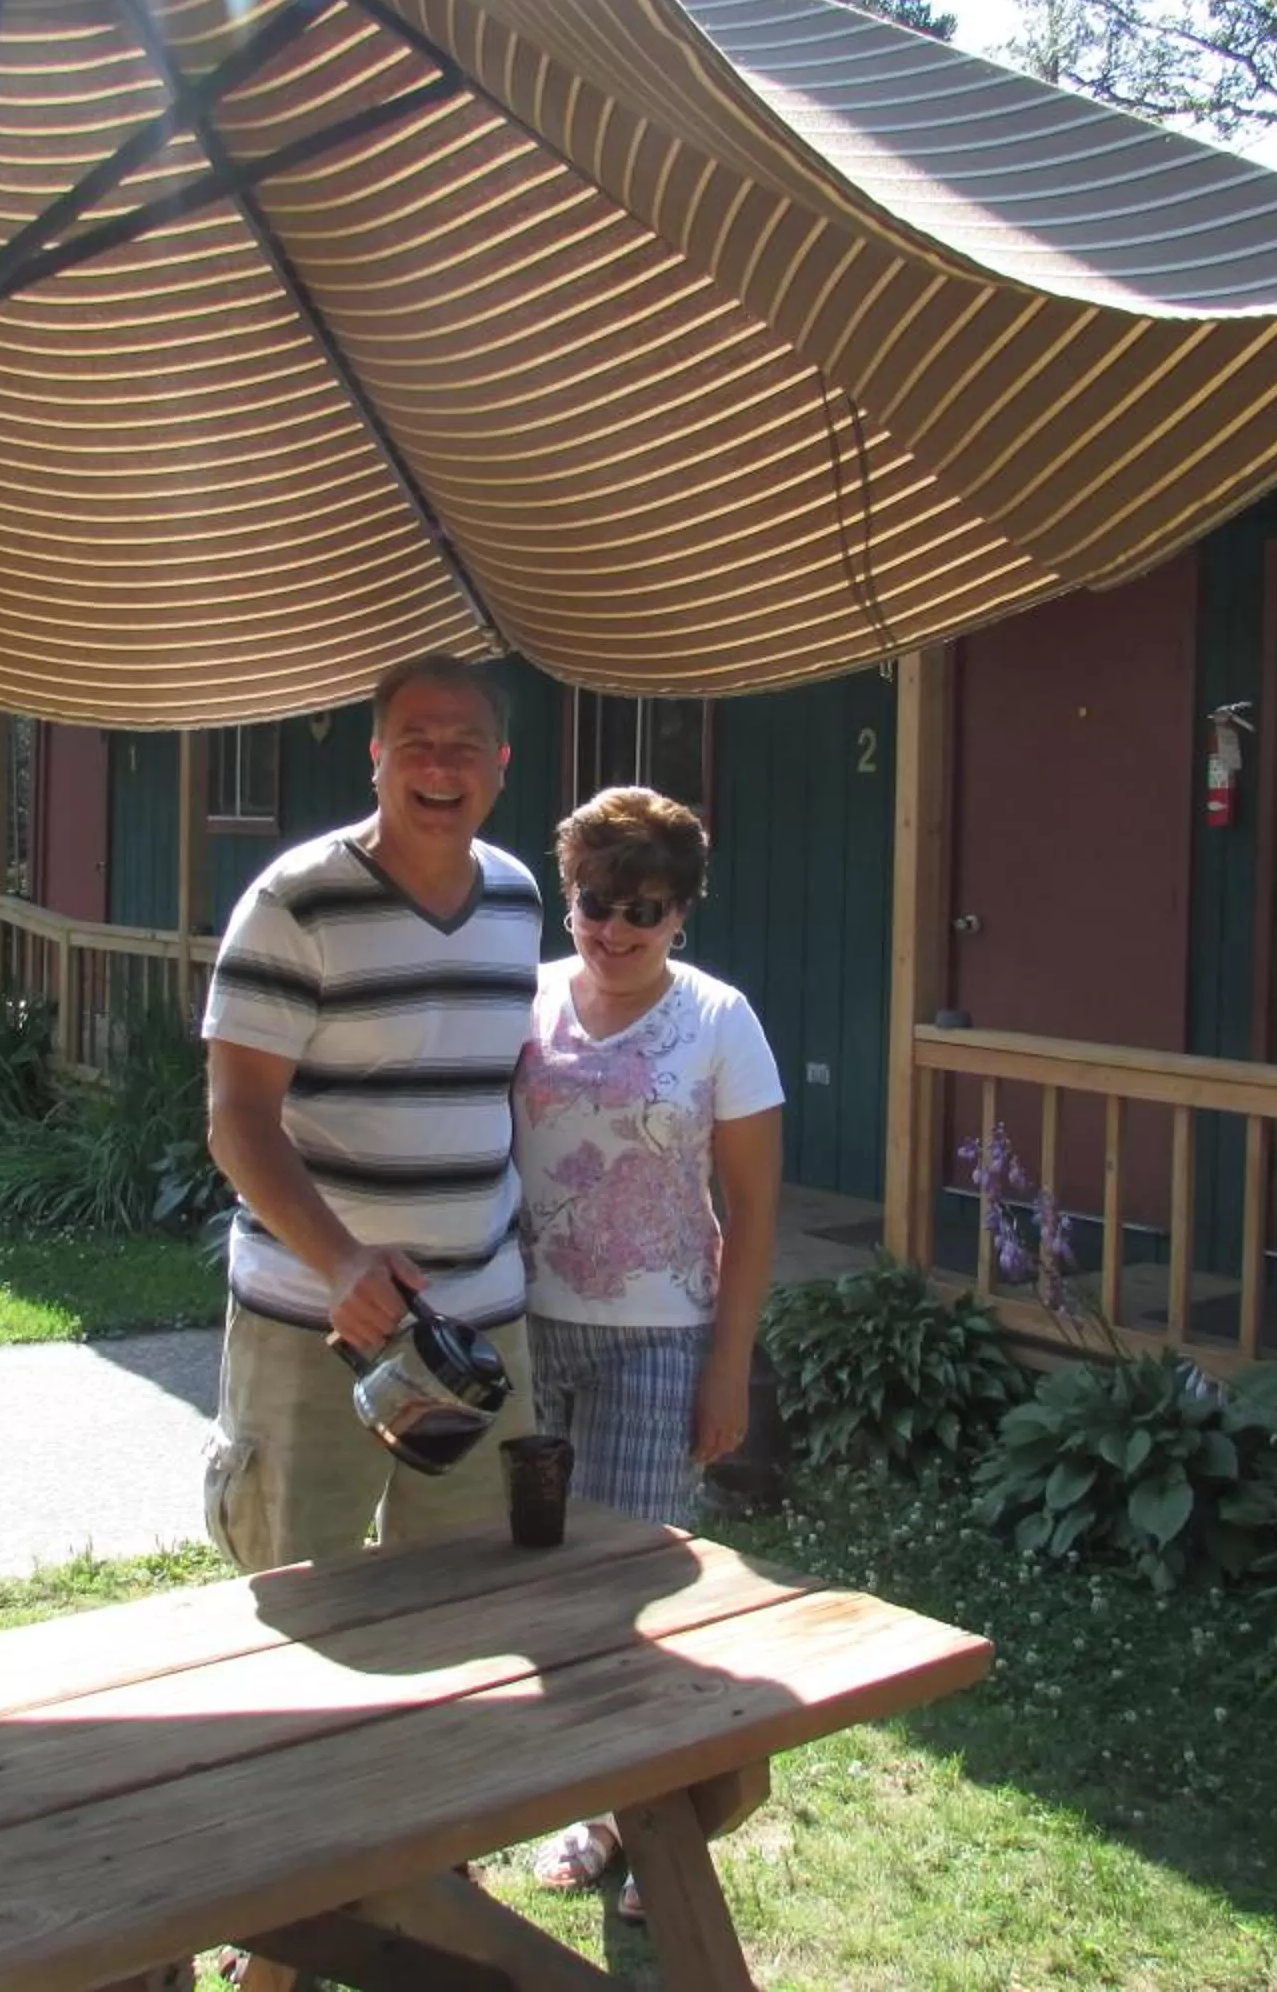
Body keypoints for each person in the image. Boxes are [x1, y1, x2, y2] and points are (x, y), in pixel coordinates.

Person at [199, 652, 544, 1570]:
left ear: (502, 762)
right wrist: (343, 1263)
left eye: (464, 744)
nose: (440, 767)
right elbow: (236, 1121)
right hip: (316, 1320)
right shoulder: (292, 902)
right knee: (294, 1598)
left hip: (478, 1325)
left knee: (473, 1596)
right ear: (376, 758)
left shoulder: (518, 898)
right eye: (416, 743)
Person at [511, 784, 784, 1912]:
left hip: (657, 1338)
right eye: (594, 901)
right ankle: (561, 1793)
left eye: (645, 907)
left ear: (683, 914)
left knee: (627, 1591)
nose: (615, 929)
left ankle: (644, 1822)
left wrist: (729, 1366)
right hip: (518, 1333)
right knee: (515, 1579)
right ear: (567, 896)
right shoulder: (519, 1003)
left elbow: (758, 1211)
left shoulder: (721, 1021)